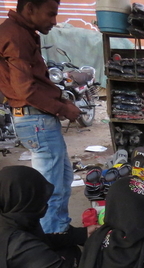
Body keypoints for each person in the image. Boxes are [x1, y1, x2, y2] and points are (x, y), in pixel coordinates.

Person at [0, 0, 81, 233]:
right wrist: (64, 109)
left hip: (38, 119)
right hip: (35, 120)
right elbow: (26, 89)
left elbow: (34, 84)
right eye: (50, 14)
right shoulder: (15, 36)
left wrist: (61, 101)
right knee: (50, 189)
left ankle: (60, 231)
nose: (54, 22)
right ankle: (51, 244)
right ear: (30, 9)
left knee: (63, 179)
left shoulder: (22, 33)